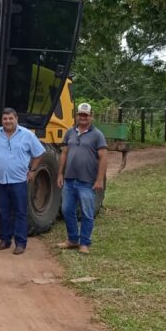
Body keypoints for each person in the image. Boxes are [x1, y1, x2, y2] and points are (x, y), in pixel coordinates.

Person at [0, 108, 45, 255]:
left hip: (18, 181)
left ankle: (20, 243)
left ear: (16, 118)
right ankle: (5, 240)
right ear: (2, 120)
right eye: (5, 119)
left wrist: (33, 170)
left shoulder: (27, 135)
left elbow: (40, 153)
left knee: (20, 212)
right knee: (3, 211)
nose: (8, 121)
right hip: (0, 180)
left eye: (10, 118)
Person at [57, 102, 108, 254]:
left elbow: (103, 157)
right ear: (77, 116)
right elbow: (64, 153)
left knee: (87, 212)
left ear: (91, 116)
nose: (83, 117)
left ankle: (84, 243)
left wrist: (99, 180)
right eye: (81, 114)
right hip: (69, 179)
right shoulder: (70, 132)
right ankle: (73, 239)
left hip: (87, 181)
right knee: (67, 210)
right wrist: (60, 173)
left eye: (86, 115)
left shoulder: (97, 135)